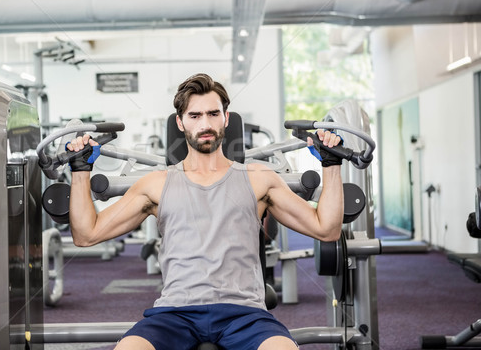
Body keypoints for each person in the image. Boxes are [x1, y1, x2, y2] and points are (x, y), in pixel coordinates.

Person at [67, 73, 344, 350]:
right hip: (174, 314)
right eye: (195, 115)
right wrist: (80, 170)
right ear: (180, 122)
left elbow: (326, 229)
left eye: (213, 113)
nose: (206, 124)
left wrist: (331, 166)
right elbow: (86, 235)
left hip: (244, 314)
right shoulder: (155, 185)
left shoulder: (259, 178)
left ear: (226, 117)